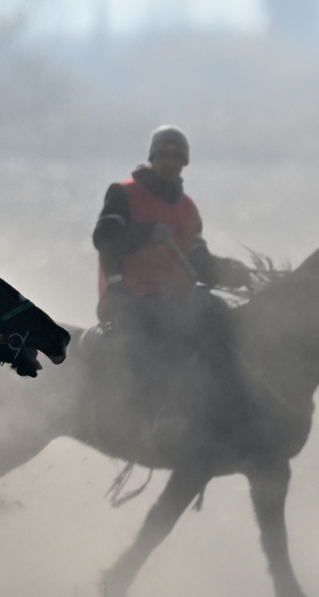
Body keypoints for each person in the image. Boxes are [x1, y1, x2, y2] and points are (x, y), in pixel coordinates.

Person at [92, 126, 250, 439]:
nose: (171, 161)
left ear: (185, 163)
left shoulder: (188, 209)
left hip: (176, 294)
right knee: (177, 324)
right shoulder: (124, 193)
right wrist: (146, 233)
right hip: (131, 294)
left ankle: (222, 404)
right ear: (153, 158)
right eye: (164, 155)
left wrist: (230, 272)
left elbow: (198, 262)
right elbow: (104, 237)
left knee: (221, 315)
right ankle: (164, 412)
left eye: (177, 157)